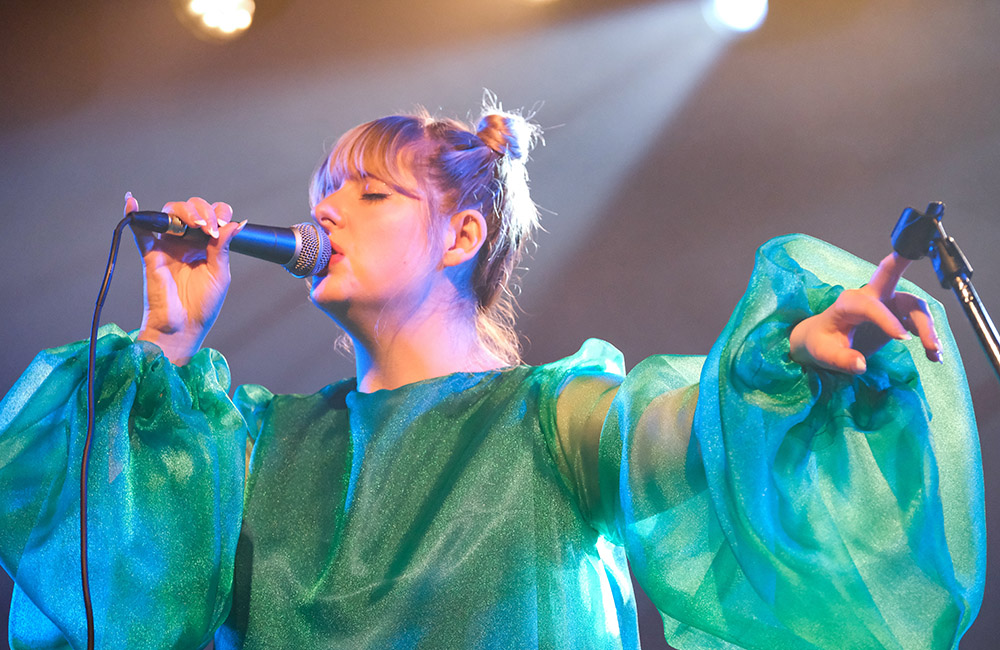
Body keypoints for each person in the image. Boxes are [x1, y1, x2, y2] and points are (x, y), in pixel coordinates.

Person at [0, 101, 985, 650]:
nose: (328, 211)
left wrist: (785, 357)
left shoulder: (551, 417)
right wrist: (166, 336)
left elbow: (691, 431)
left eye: (370, 191)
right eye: (321, 192)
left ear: (462, 234)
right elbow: (112, 583)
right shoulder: (252, 439)